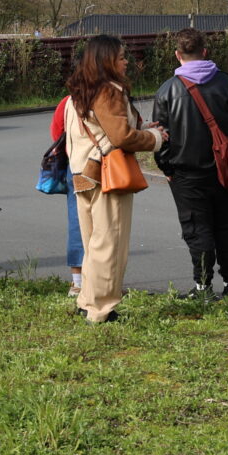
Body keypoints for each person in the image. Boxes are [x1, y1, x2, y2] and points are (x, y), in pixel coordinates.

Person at [64, 35, 165, 324]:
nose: (125, 62)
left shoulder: (79, 91)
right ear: (107, 60)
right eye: (121, 57)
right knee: (110, 242)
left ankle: (87, 300)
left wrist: (141, 126)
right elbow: (120, 136)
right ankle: (102, 309)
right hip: (107, 174)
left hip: (82, 173)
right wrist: (154, 138)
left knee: (92, 239)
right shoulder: (109, 91)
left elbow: (99, 129)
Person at [152, 28, 228, 299]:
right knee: (226, 225)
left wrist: (166, 168)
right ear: (205, 51)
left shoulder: (167, 90)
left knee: (197, 228)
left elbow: (161, 136)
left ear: (177, 55)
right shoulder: (227, 84)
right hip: (223, 169)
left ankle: (203, 286)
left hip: (185, 173)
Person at [49, 96, 85, 297]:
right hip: (103, 167)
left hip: (76, 166)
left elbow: (56, 133)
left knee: (77, 221)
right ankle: (104, 283)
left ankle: (77, 282)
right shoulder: (109, 96)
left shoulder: (69, 101)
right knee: (105, 225)